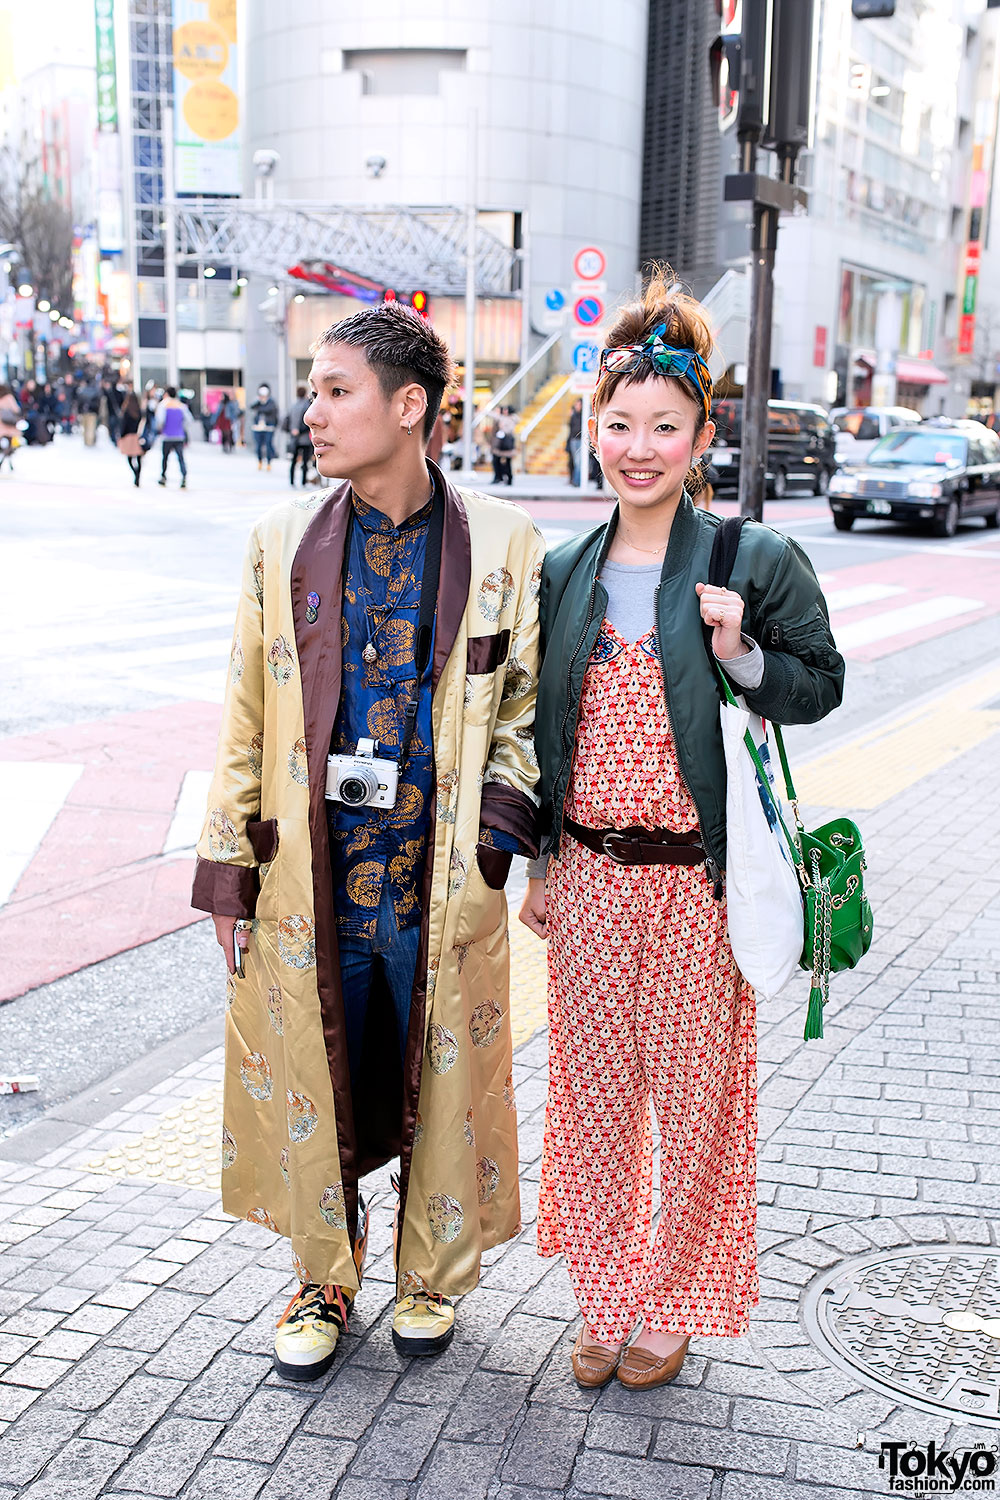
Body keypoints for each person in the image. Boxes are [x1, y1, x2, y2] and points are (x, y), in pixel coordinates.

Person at [192, 301, 544, 1382]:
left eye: (336, 390)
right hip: (317, 881)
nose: (314, 411)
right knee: (317, 1074)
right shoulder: (279, 542)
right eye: (313, 390)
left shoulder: (502, 544)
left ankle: (428, 1274)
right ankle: (322, 1278)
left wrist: (493, 849)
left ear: (409, 407)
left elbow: (524, 716)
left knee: (437, 1077)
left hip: (437, 882)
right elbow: (246, 711)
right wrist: (229, 872)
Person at [519, 271, 844, 1393]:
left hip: (703, 883)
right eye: (617, 425)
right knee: (594, 1099)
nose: (637, 447)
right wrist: (547, 861)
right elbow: (541, 726)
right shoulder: (564, 569)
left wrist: (742, 653)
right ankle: (605, 1300)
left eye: (663, 426)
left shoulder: (751, 559)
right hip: (595, 879)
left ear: (701, 431)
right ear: (590, 428)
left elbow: (818, 683)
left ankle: (674, 1303)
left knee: (701, 1106)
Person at [156, 386, 191, 488]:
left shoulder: (163, 405)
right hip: (179, 436)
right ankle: (184, 476)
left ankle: (163, 476)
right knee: (180, 457)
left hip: (167, 436)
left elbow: (160, 420)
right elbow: (189, 419)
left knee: (165, 457)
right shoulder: (181, 406)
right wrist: (180, 427)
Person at [117, 388, 145, 486]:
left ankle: (135, 474)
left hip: (128, 437)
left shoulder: (126, 411)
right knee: (138, 458)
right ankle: (138, 475)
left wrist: (121, 436)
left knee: (129, 458)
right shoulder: (139, 412)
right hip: (136, 436)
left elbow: (123, 425)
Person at [287, 383, 313, 486]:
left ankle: (292, 481)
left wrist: (293, 430)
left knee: (293, 461)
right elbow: (308, 422)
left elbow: (287, 419)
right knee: (305, 461)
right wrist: (300, 430)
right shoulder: (307, 405)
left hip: (294, 437)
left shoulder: (293, 405)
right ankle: (303, 482)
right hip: (305, 438)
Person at [250, 382, 279, 469]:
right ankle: (259, 461)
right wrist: (259, 401)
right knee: (258, 445)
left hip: (269, 427)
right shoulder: (257, 402)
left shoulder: (271, 402)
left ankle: (269, 462)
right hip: (258, 427)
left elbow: (269, 410)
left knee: (268, 444)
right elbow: (251, 407)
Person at [490, 406, 516, 485]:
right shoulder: (503, 418)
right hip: (500, 444)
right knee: (497, 461)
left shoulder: (511, 419)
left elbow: (509, 430)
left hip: (505, 444)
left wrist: (502, 427)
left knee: (507, 462)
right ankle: (499, 477)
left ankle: (508, 478)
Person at [0, 384, 20, 473]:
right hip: (10, 427)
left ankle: (5, 461)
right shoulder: (9, 397)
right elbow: (17, 410)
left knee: (5, 446)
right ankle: (7, 461)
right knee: (8, 445)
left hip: (1, 428)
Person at [566, 398, 583, 485]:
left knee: (579, 461)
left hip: (580, 440)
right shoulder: (573, 415)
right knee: (576, 461)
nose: (577, 406)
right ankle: (575, 480)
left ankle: (577, 481)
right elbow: (570, 428)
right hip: (573, 440)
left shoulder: (583, 416)